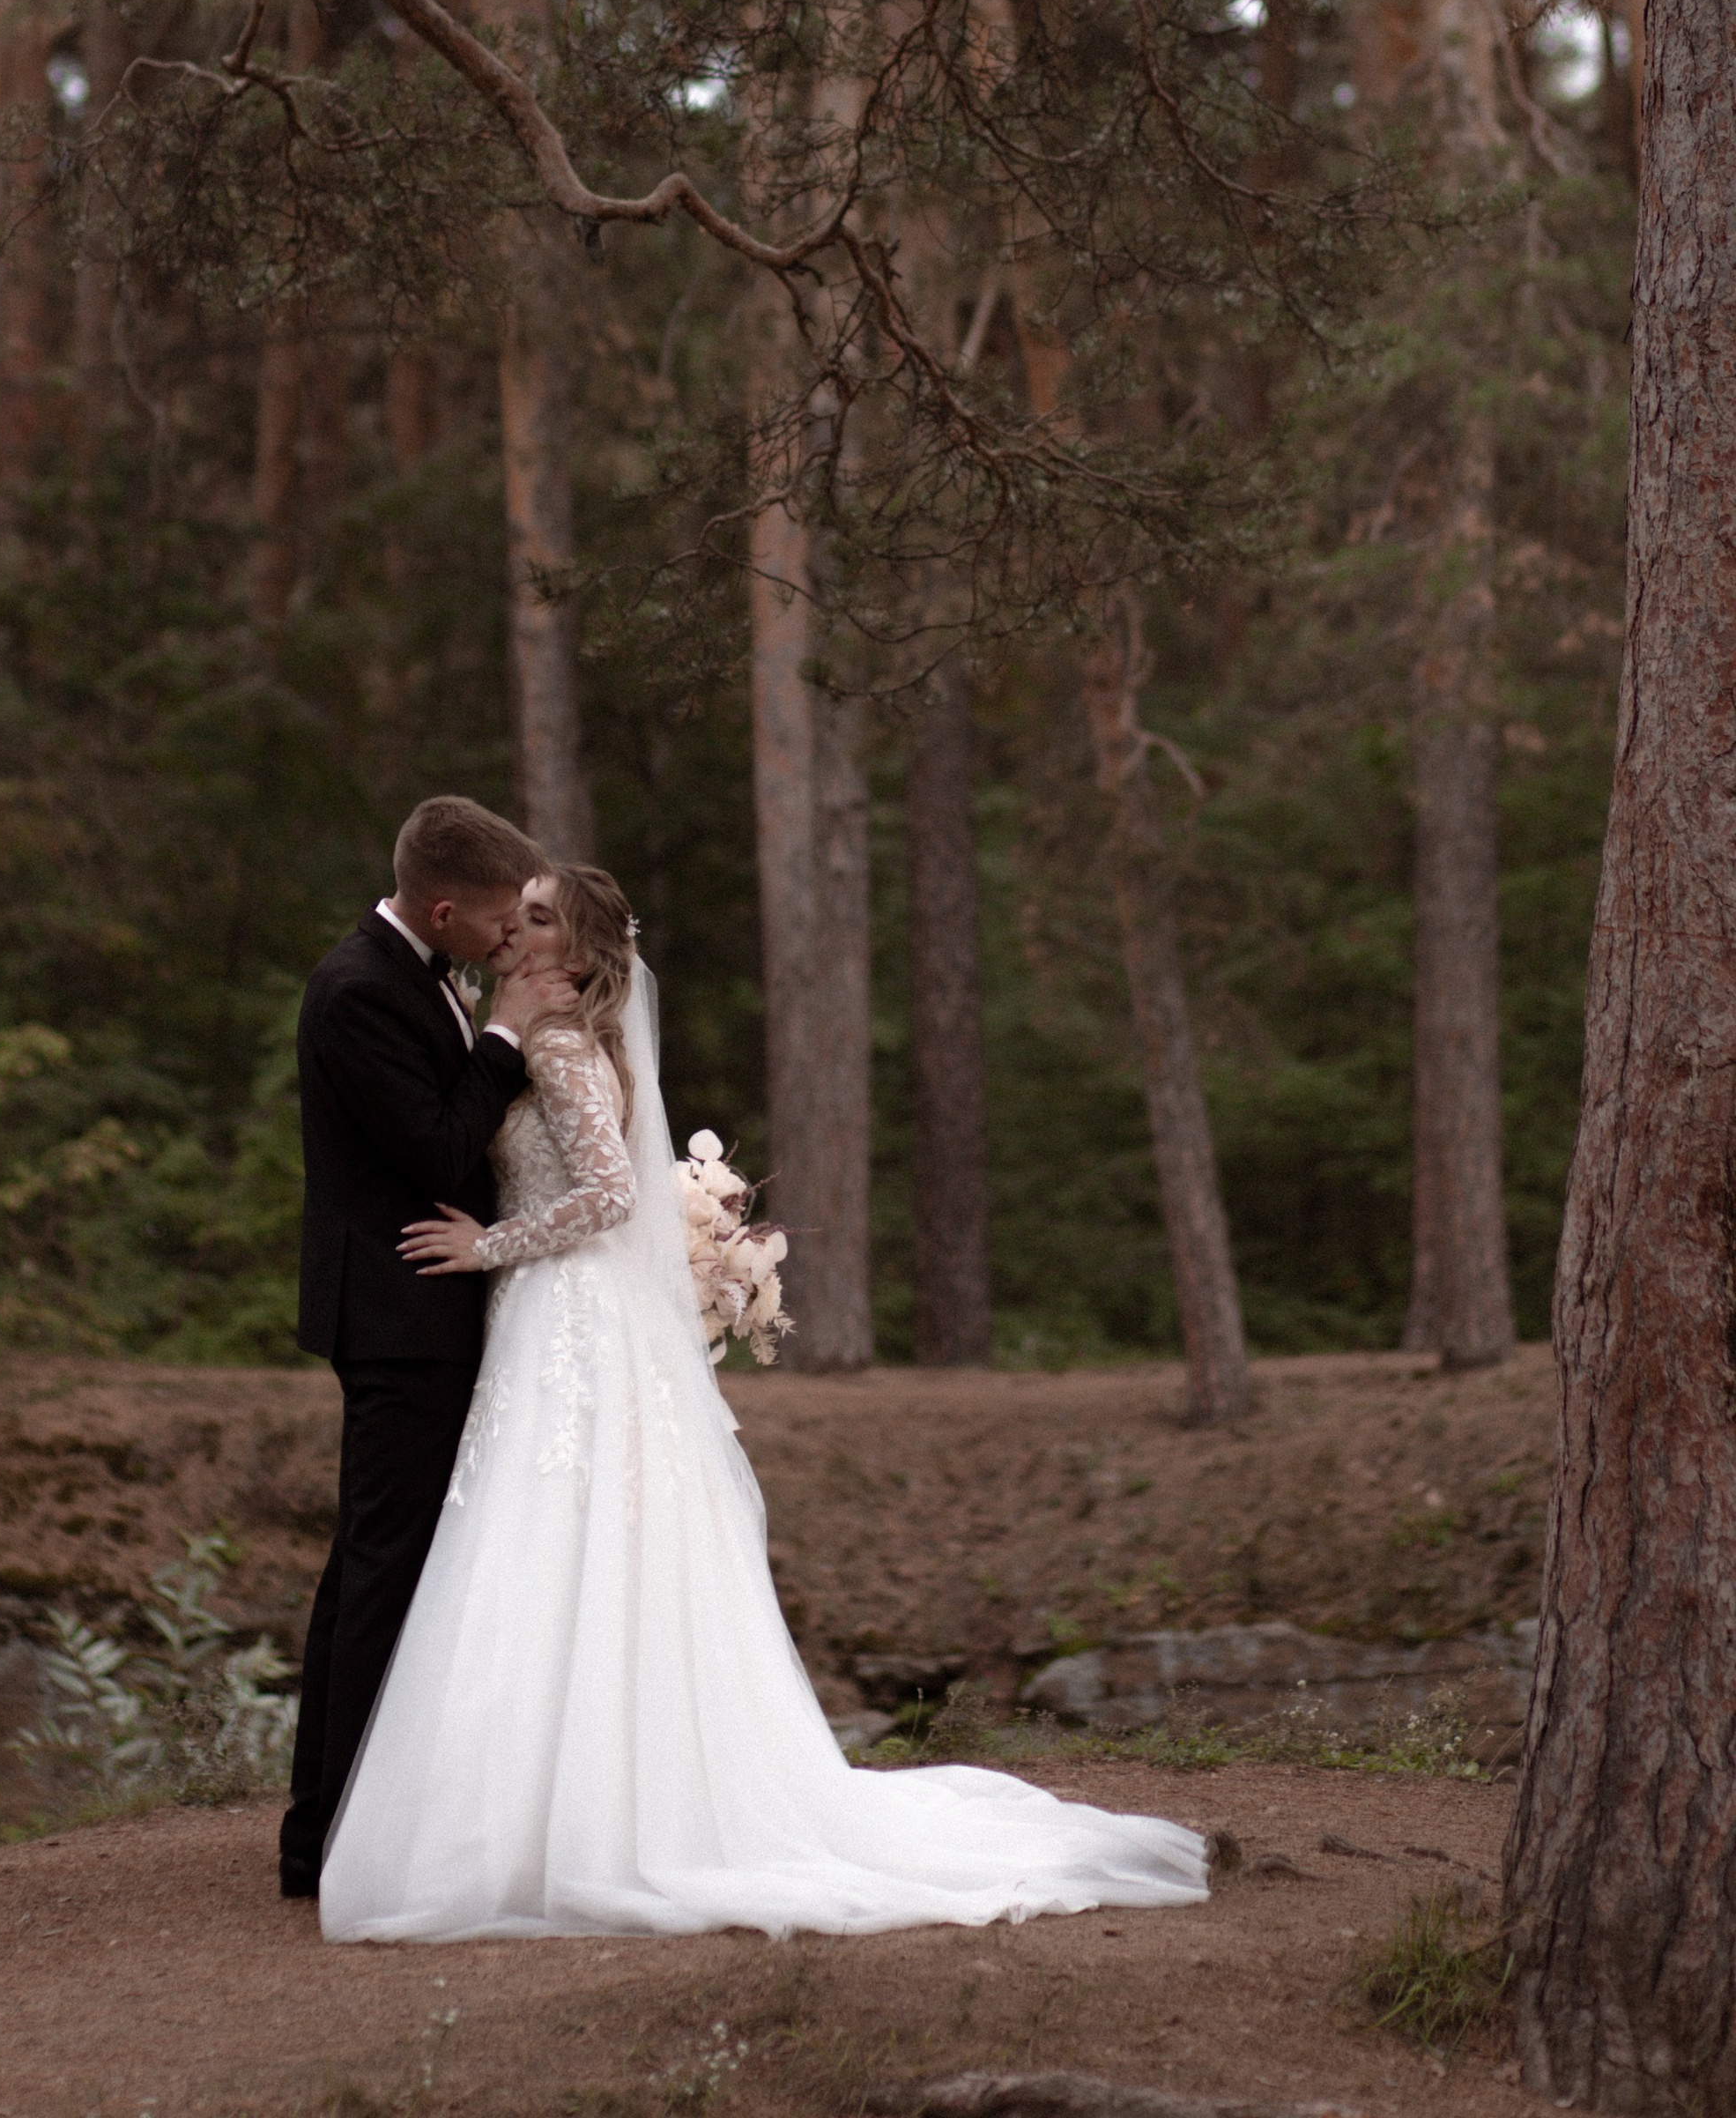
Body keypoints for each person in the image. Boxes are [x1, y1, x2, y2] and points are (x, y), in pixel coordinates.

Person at [319, 862, 1210, 1942]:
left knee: (547, 1542)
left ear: (585, 953)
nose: (516, 928)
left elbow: (611, 1195)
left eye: (540, 918)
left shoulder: (555, 1043)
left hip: (560, 1312)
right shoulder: (566, 1035)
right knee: (572, 1546)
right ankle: (585, 1806)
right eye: (518, 913)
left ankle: (550, 1820)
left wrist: (486, 1244)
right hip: (559, 1321)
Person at [278, 795, 582, 1900]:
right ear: (444, 909)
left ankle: (326, 1828)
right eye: (500, 920)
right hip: (400, 1319)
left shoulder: (415, 974)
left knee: (372, 1569)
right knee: (383, 1575)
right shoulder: (357, 991)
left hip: (426, 1314)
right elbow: (438, 1148)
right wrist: (503, 1037)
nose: (512, 938)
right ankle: (330, 1842)